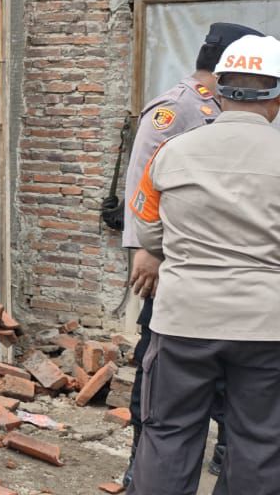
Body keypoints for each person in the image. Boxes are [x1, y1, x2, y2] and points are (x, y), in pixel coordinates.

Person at [128, 35, 280, 495]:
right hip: (266, 327)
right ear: (277, 96)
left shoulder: (171, 153)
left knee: (169, 434)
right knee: (260, 441)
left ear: (218, 91)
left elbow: (149, 231)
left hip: (183, 322)